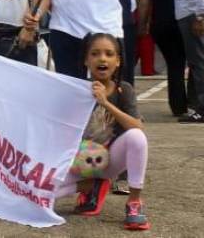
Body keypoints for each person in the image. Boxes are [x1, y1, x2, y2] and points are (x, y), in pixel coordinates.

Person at [59, 33, 150, 231]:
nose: (102, 59)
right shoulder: (75, 91)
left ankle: (134, 203)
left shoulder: (123, 90)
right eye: (95, 54)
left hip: (109, 160)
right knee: (38, 192)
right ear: (86, 60)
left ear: (117, 61)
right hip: (81, 162)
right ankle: (88, 186)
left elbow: (137, 126)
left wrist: (105, 103)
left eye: (109, 54)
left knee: (136, 137)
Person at [136, 0, 187, 117]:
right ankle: (194, 103)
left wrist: (142, 26)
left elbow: (143, 4)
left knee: (173, 65)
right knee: (190, 64)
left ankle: (178, 106)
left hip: (160, 26)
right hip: (181, 23)